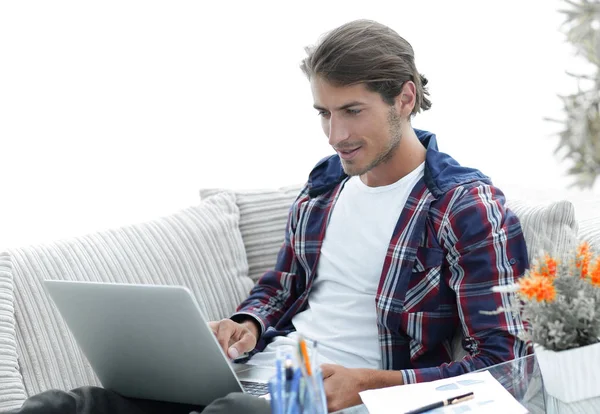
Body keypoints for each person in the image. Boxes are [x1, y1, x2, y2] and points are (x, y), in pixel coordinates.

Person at [10, 19, 529, 414]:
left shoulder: (464, 206)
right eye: (323, 113)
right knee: (64, 406)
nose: (335, 135)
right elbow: (282, 285)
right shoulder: (327, 185)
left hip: (332, 396)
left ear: (405, 98)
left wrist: (371, 384)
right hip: (255, 379)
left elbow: (507, 367)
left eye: (352, 111)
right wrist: (247, 325)